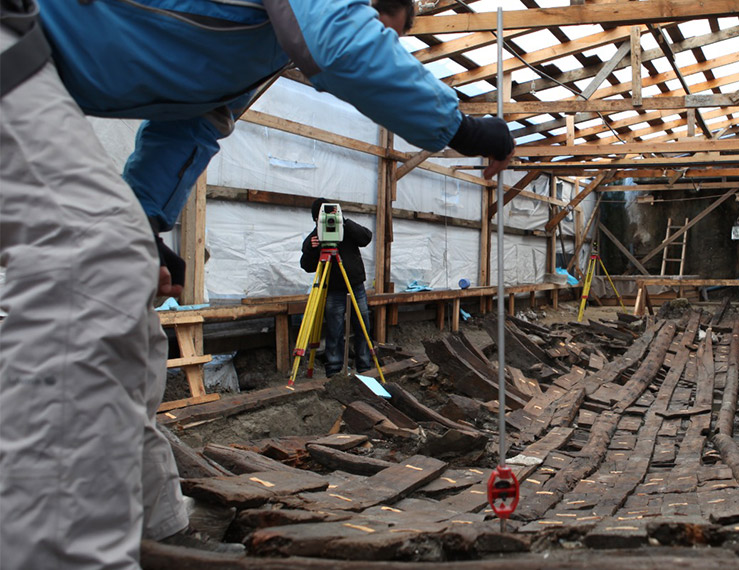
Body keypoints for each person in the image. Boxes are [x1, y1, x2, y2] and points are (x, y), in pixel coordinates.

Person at [0, 0, 514, 566]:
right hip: (20, 39)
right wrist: (460, 127)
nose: (387, 51)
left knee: (127, 303)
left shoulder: (250, 52)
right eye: (387, 35)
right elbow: (339, 43)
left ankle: (161, 530)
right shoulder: (318, 23)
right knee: (95, 259)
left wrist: (146, 217)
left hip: (36, 60)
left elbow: (193, 121)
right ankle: (58, 550)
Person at [300, 198, 375, 376]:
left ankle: (364, 366)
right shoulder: (314, 237)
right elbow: (307, 266)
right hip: (333, 289)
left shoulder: (346, 228)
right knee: (335, 329)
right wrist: (312, 248)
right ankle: (334, 369)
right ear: (315, 220)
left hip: (355, 285)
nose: (327, 221)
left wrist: (344, 221)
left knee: (363, 326)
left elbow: (366, 237)